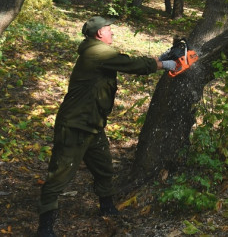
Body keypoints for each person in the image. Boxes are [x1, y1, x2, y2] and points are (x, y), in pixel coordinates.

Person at [36, 16, 180, 237]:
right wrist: (163, 65)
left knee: (104, 168)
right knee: (60, 175)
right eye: (109, 29)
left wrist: (158, 59)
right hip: (75, 125)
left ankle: (107, 207)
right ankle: (45, 227)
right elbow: (129, 64)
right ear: (99, 33)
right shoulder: (96, 52)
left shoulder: (98, 52)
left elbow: (125, 61)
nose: (112, 33)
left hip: (92, 124)